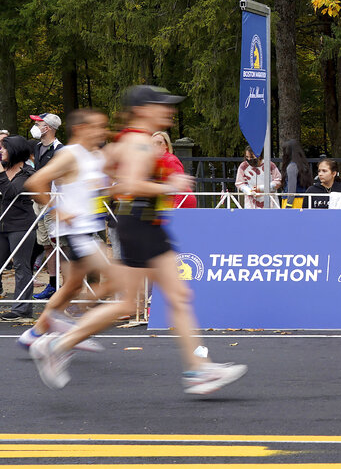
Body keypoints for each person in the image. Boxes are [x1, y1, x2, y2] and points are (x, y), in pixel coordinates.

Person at [29, 85, 247, 393]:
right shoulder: (141, 143)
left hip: (139, 223)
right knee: (160, 300)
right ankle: (199, 369)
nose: (170, 110)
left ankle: (199, 369)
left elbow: (110, 177)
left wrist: (103, 188)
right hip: (142, 223)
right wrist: (170, 185)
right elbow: (131, 184)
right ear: (144, 109)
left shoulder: (126, 141)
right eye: (163, 105)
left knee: (137, 303)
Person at [19, 109, 115, 351]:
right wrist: (57, 209)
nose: (102, 131)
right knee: (118, 278)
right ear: (81, 129)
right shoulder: (70, 155)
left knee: (72, 286)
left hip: (88, 228)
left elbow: (94, 189)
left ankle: (35, 333)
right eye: (97, 126)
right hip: (76, 231)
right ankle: (71, 327)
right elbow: (33, 183)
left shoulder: (93, 156)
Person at [0, 135, 38, 321]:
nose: (1, 151)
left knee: (22, 266)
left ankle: (21, 310)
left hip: (21, 225)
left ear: (14, 151)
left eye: (4, 148)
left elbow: (10, 192)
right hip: (3, 224)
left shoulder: (27, 174)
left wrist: (0, 172)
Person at [29, 112, 63, 301]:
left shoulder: (59, 149)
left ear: (47, 128)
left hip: (54, 204)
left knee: (60, 245)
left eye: (38, 123)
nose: (35, 127)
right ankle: (52, 285)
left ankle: (67, 287)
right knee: (46, 245)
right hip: (38, 203)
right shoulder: (37, 147)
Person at [152, 131, 197, 209]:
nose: (155, 146)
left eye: (158, 143)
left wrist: (175, 208)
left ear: (166, 145)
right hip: (167, 201)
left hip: (182, 202)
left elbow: (180, 186)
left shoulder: (171, 160)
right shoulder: (153, 162)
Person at [280, 139, 314, 207]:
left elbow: (292, 187)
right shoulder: (303, 165)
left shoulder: (292, 167)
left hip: (292, 202)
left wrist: (289, 204)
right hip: (302, 200)